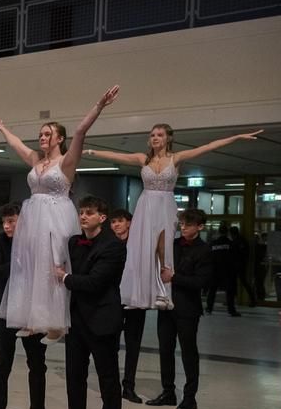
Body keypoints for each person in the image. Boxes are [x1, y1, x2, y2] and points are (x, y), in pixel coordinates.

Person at [0, 85, 119, 343]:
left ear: (59, 138)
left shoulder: (67, 162)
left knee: (54, 264)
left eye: (47, 134)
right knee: (30, 265)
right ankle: (32, 317)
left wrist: (99, 105)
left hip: (56, 215)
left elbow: (81, 130)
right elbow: (17, 144)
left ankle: (55, 322)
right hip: (34, 218)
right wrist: (4, 129)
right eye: (40, 134)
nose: (42, 137)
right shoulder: (36, 161)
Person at [86, 125, 260, 310]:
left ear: (168, 138)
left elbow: (207, 147)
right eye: (152, 135)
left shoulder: (175, 158)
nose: (155, 138)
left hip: (165, 205)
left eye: (159, 135)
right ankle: (138, 296)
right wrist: (91, 150)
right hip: (146, 204)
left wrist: (237, 137)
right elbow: (116, 156)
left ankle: (163, 293)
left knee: (163, 247)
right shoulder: (143, 159)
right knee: (142, 249)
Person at [52, 195, 126, 409]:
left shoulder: (114, 246)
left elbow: (95, 283)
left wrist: (66, 277)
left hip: (102, 320)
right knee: (74, 378)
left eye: (89, 213)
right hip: (76, 321)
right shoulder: (73, 242)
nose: (83, 216)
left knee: (108, 382)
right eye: (81, 212)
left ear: (102, 217)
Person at [0, 203, 55, 409]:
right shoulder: (0, 242)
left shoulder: (38, 242)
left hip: (32, 311)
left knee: (37, 365)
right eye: (4, 222)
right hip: (6, 312)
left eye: (11, 221)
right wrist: (16, 263)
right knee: (2, 364)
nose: (6, 226)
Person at [146, 209, 212, 409]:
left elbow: (201, 281)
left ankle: (190, 397)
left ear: (200, 227)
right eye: (181, 224)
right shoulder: (172, 245)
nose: (183, 228)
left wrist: (174, 277)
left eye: (188, 224)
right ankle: (168, 392)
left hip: (188, 309)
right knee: (165, 350)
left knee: (188, 352)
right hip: (166, 305)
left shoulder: (204, 250)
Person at [109, 209, 145, 404]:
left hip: (135, 299)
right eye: (113, 221)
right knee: (111, 343)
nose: (116, 225)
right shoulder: (109, 243)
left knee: (133, 344)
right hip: (114, 299)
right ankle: (113, 384)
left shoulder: (138, 244)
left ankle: (128, 385)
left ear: (129, 223)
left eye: (120, 221)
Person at [208, 226, 242, 317]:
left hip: (215, 270)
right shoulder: (231, 244)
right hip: (228, 271)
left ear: (219, 232)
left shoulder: (213, 244)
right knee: (230, 292)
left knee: (212, 290)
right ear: (227, 233)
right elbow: (236, 258)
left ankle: (209, 308)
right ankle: (231, 310)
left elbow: (208, 257)